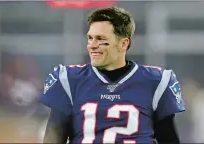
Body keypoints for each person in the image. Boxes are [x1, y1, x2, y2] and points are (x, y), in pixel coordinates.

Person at [41, 7, 185, 144]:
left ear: (123, 44)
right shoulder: (70, 80)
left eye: (100, 39)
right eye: (90, 38)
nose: (92, 45)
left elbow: (169, 139)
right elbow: (53, 138)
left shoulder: (155, 82)